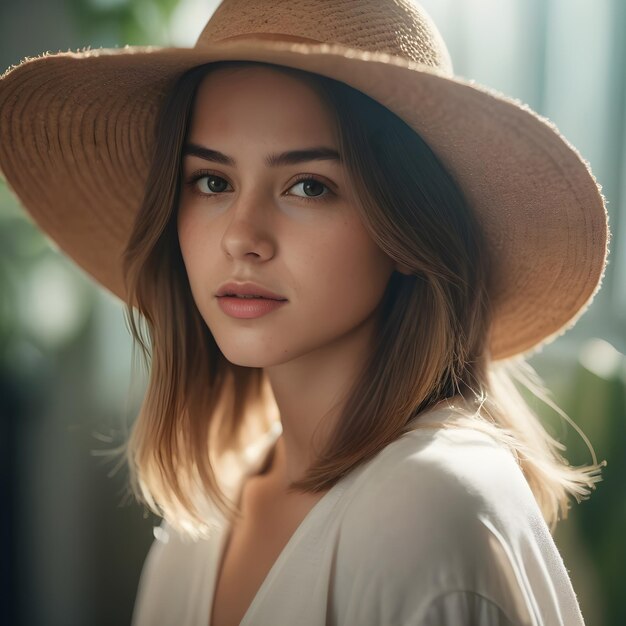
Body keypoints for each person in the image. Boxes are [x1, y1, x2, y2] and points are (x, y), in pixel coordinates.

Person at [0, 1, 611, 624]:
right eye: (212, 181)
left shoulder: (428, 507)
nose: (242, 237)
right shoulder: (202, 521)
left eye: (308, 186)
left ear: (406, 230)